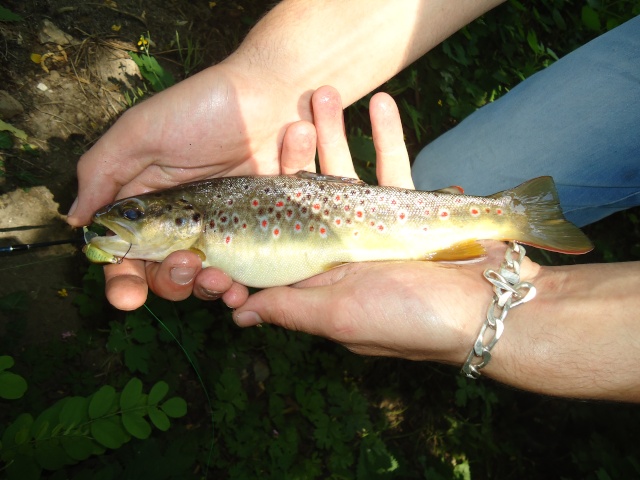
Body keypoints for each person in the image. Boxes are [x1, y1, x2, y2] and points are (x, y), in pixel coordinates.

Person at [66, 2, 640, 401]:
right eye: (134, 216)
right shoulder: (200, 215)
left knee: (448, 197)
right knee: (448, 177)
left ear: (182, 217)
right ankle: (502, 221)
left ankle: (511, 221)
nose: (125, 218)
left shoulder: (201, 219)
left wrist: (518, 325)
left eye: (137, 213)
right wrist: (264, 81)